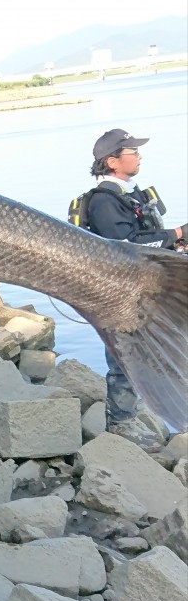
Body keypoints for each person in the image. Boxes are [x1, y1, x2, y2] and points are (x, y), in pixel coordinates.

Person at [84, 127, 187, 446]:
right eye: (133, 152)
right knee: (124, 354)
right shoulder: (103, 202)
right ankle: (121, 423)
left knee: (161, 350)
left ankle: (163, 411)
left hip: (146, 288)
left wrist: (174, 244)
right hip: (120, 294)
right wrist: (177, 235)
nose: (139, 156)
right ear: (113, 161)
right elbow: (126, 245)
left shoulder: (127, 194)